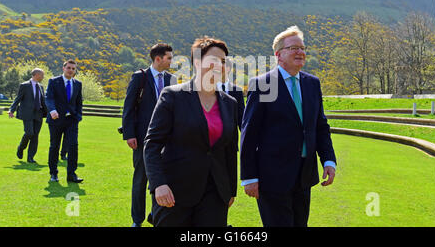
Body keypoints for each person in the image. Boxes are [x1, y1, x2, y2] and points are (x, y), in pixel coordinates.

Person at [240, 26, 337, 227]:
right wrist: (249, 176)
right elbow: (249, 134)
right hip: (272, 177)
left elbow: (320, 126)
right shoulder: (263, 84)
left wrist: (328, 160)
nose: (300, 52)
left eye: (302, 48)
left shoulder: (312, 84)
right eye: (294, 48)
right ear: (278, 54)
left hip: (304, 175)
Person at [144, 37, 238, 227]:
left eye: (223, 61)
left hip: (215, 194)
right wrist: (158, 184)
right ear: (197, 62)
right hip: (173, 191)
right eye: (214, 60)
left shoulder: (230, 103)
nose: (220, 65)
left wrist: (230, 190)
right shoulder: (173, 96)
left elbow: (229, 150)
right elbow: (152, 145)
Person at [122, 43, 176, 227]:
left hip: (168, 141)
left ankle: (155, 215)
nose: (171, 61)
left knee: (164, 179)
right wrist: (129, 134)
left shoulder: (172, 79)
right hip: (143, 139)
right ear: (158, 58)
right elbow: (128, 107)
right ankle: (137, 220)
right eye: (169, 57)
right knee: (140, 180)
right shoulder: (140, 77)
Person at [46, 59, 83, 183]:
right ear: (63, 68)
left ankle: (71, 174)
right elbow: (49, 98)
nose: (71, 70)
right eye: (69, 68)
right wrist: (52, 110)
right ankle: (53, 174)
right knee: (54, 146)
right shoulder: (53, 81)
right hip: (56, 120)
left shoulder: (78, 84)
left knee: (73, 146)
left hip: (72, 120)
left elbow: (79, 102)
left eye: (73, 68)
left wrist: (78, 116)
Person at [8, 68, 47, 163]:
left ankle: (30, 158)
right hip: (27, 113)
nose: (43, 77)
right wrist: (11, 110)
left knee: (35, 136)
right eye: (42, 75)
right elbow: (18, 98)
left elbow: (43, 101)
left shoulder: (41, 86)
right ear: (36, 75)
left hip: (38, 113)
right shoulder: (24, 85)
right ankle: (21, 148)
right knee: (29, 133)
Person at [217, 58, 245, 131]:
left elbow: (241, 118)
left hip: (231, 139)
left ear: (228, 68)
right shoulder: (209, 89)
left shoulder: (237, 91)